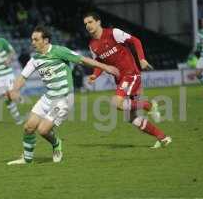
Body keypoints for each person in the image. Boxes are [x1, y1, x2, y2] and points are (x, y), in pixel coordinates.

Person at [7, 25, 119, 165]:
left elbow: (83, 60)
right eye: (32, 39)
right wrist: (14, 90)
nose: (33, 42)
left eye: (36, 39)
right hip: (48, 97)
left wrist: (106, 67)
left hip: (63, 99)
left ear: (46, 40)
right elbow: (23, 77)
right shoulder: (35, 59)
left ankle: (56, 144)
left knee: (42, 130)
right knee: (29, 126)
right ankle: (27, 159)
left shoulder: (60, 51)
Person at [83, 12, 171, 149]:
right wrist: (95, 74)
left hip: (130, 74)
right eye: (86, 24)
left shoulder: (114, 33)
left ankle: (148, 105)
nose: (88, 25)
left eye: (90, 22)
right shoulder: (93, 45)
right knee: (132, 118)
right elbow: (99, 62)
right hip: (120, 79)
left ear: (98, 22)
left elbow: (135, 41)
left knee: (116, 103)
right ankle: (163, 137)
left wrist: (142, 59)